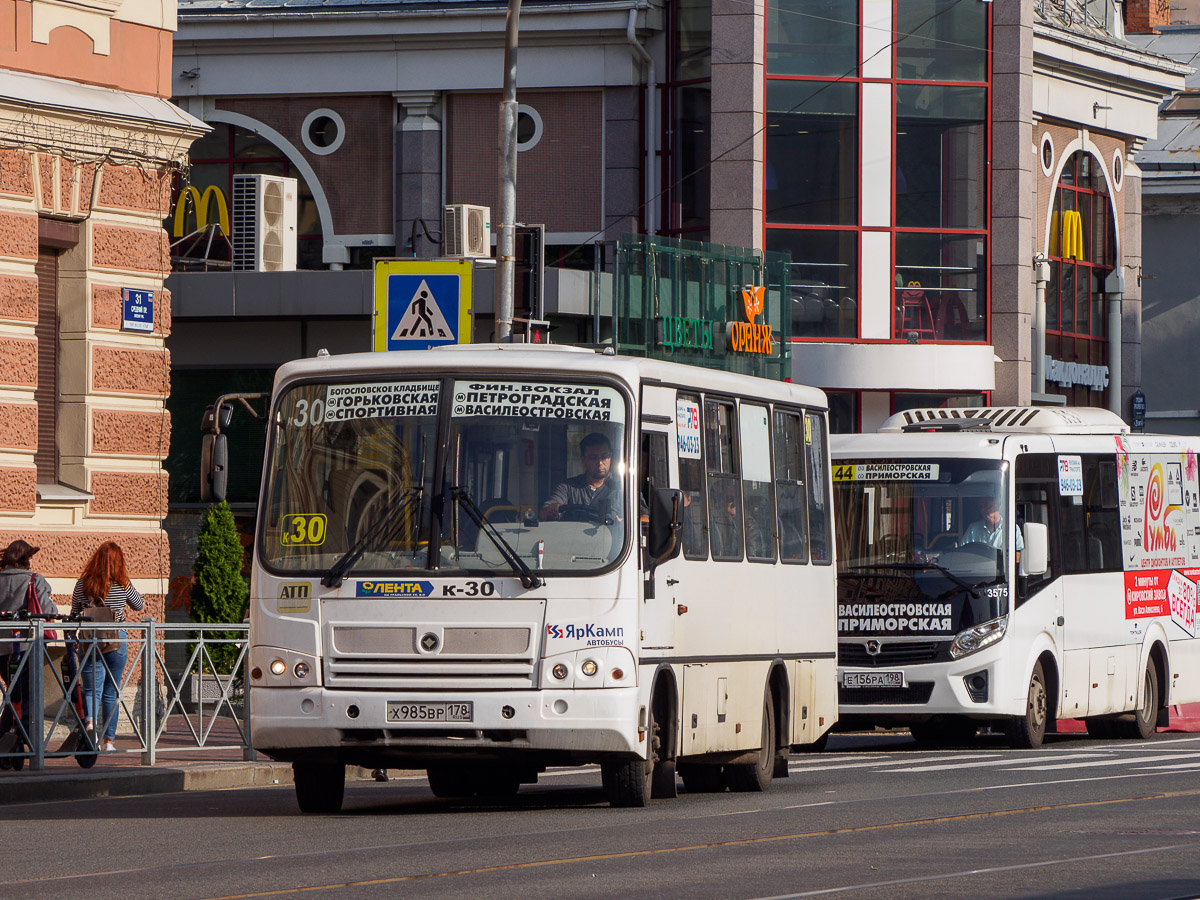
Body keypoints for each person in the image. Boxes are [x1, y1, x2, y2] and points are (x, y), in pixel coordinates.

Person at [70, 541, 144, 753]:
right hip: (115, 641)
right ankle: (109, 742)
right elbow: (139, 605)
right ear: (118, 562)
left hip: (89, 640)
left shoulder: (82, 584)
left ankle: (90, 730)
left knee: (91, 689)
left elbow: (74, 614)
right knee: (111, 692)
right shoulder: (122, 584)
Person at [0, 540, 52, 762]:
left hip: (0, 649)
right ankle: (27, 746)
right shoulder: (34, 579)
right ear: (26, 559)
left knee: (13, 695)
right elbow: (49, 610)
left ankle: (8, 742)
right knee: (28, 697)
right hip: (25, 646)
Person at [540, 433, 622, 521]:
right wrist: (553, 509)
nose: (600, 463)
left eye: (604, 456)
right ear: (583, 460)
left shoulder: (621, 491)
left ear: (611, 457)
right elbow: (544, 514)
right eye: (593, 457)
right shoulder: (567, 488)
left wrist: (621, 525)